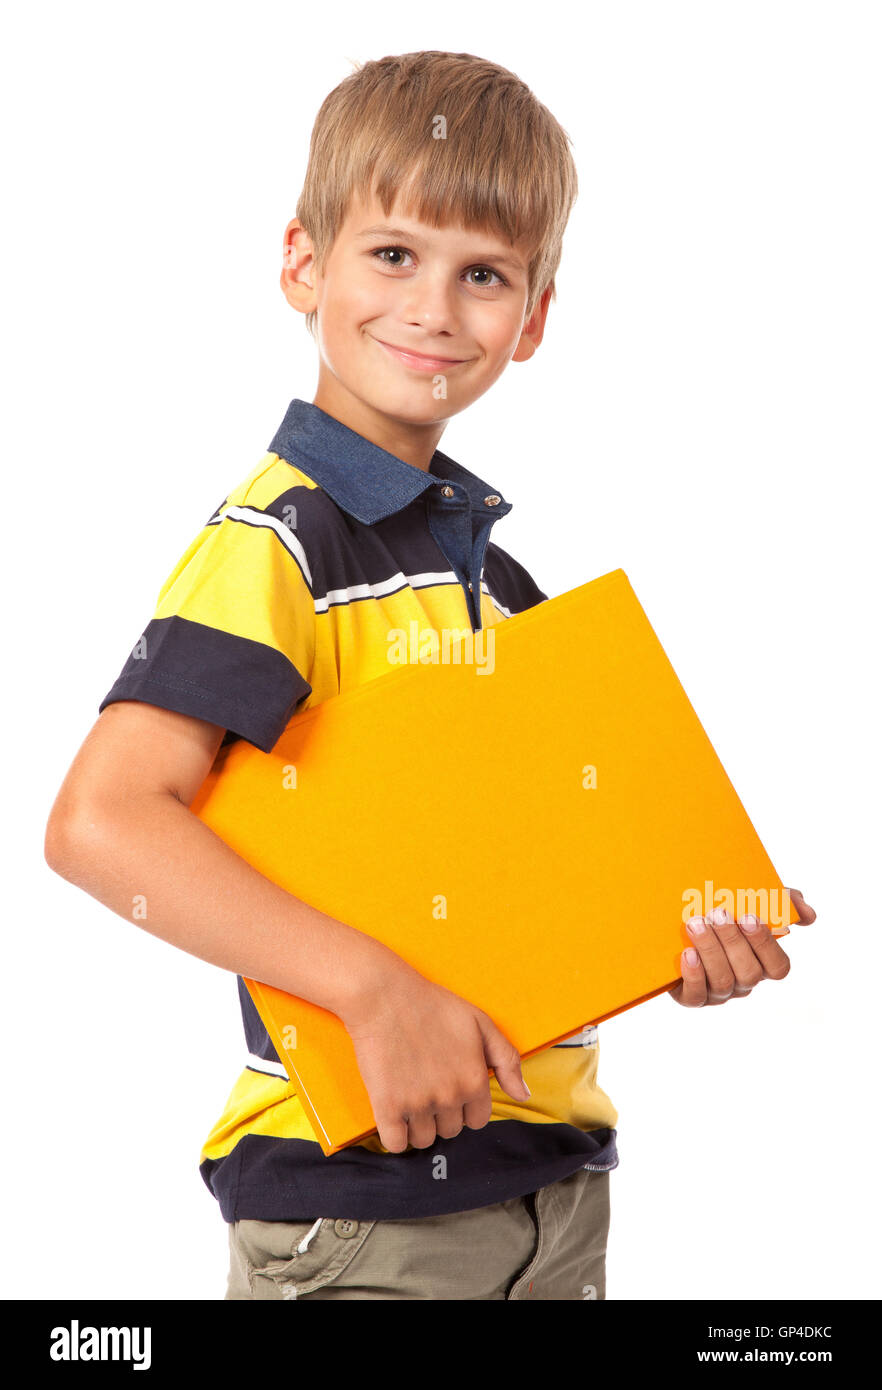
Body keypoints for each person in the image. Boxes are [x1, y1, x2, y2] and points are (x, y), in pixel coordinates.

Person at [43, 49, 816, 1301]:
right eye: (393, 254)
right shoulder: (279, 543)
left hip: (552, 1190)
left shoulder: (503, 587)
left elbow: (510, 882)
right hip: (364, 1203)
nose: (435, 309)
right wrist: (370, 991)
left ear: (535, 315)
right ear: (305, 263)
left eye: (485, 275)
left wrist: (675, 936)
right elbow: (98, 825)